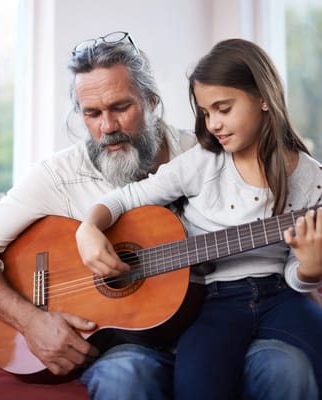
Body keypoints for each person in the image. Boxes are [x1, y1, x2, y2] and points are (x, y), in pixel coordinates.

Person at [0, 32, 317, 400]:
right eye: (92, 113)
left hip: (220, 324)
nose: (107, 127)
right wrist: (30, 320)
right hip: (125, 346)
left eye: (121, 107)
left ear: (152, 101)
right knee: (126, 376)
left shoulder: (208, 155)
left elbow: (283, 230)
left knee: (283, 366)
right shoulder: (57, 177)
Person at [75, 37, 322, 400]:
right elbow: (127, 197)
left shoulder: (312, 178)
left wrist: (309, 271)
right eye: (206, 113)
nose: (214, 124)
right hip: (212, 299)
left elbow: (291, 270)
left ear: (264, 98)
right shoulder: (203, 161)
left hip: (280, 295)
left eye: (223, 109)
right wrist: (90, 227)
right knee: (196, 386)